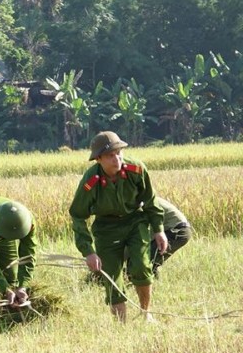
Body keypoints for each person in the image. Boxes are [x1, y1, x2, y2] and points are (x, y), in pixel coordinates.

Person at [69, 131, 167, 322]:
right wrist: (88, 251)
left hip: (135, 221)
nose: (117, 159)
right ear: (98, 159)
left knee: (141, 266)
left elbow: (150, 200)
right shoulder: (91, 181)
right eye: (110, 155)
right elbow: (78, 215)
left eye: (119, 153)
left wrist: (159, 230)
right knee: (112, 276)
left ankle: (146, 314)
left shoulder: (136, 169)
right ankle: (121, 324)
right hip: (106, 228)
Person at [149, 197, 192, 276]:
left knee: (144, 262)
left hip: (177, 231)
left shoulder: (144, 202)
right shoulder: (147, 197)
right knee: (150, 262)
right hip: (176, 229)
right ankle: (155, 284)